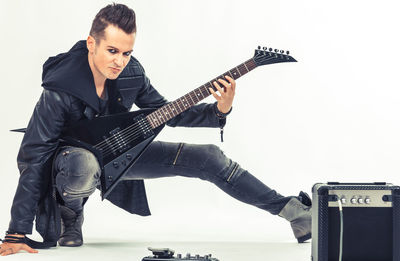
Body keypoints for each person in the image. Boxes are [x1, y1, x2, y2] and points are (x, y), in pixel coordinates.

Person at [0, 3, 311, 256]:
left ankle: (295, 213)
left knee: (211, 157)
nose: (119, 61)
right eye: (111, 51)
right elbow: (34, 155)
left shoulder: (131, 74)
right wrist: (17, 230)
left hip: (120, 154)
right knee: (83, 164)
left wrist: (219, 110)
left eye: (126, 52)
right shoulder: (60, 89)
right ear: (91, 44)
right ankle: (71, 215)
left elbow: (167, 112)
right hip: (69, 164)